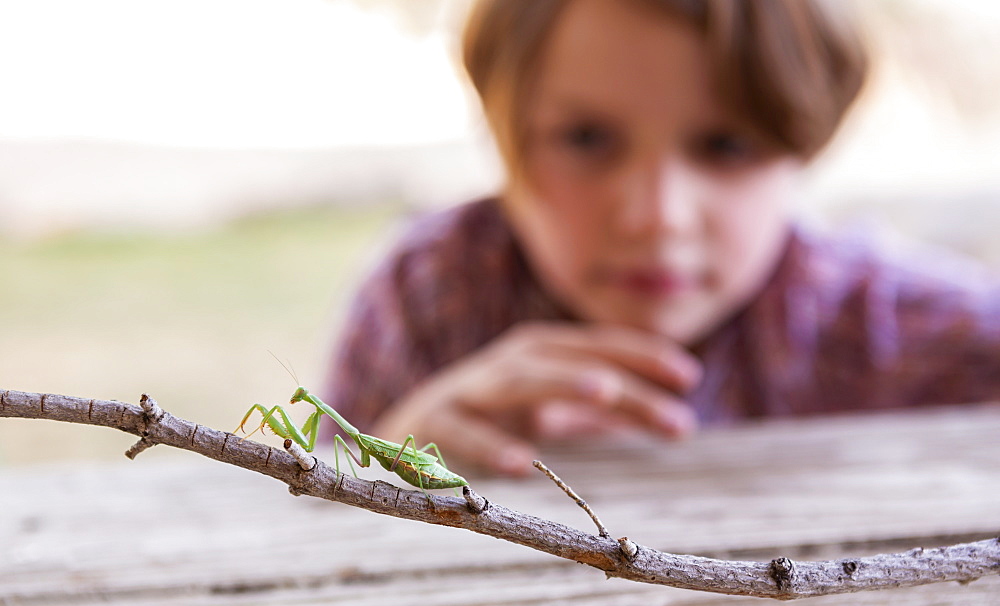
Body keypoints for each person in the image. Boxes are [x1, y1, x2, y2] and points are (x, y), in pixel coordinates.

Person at [322, 0, 1000, 477]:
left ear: (803, 141)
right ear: (504, 129)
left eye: (726, 145)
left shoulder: (893, 328)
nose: (657, 217)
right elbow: (307, 520)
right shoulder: (427, 297)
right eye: (586, 140)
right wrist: (379, 461)